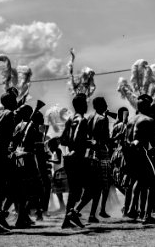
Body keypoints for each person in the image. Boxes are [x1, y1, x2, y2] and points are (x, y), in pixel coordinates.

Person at [126, 95, 155, 223]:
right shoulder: (148, 120)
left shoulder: (130, 120)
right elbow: (154, 142)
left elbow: (126, 139)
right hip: (141, 153)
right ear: (147, 106)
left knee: (139, 180)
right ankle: (147, 215)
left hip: (130, 154)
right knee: (154, 184)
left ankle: (132, 208)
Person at [72, 97, 109, 224]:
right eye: (104, 103)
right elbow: (106, 139)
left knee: (92, 187)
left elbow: (85, 137)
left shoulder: (88, 118)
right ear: (100, 105)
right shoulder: (103, 119)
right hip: (99, 153)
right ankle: (79, 212)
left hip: (88, 154)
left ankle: (88, 213)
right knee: (97, 187)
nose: (106, 105)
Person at [60, 93, 91, 228]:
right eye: (85, 103)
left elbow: (63, 139)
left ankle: (67, 221)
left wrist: (73, 146)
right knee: (92, 187)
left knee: (74, 191)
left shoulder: (69, 119)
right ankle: (72, 214)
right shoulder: (82, 120)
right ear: (81, 105)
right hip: (78, 157)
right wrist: (88, 143)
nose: (87, 105)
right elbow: (77, 138)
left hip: (68, 157)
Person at [0, 91, 17, 234]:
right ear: (10, 102)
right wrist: (11, 138)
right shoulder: (9, 114)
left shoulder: (0, 113)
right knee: (8, 187)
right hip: (0, 151)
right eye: (14, 99)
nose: (17, 101)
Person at [110, 107, 132, 216]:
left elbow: (110, 141)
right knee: (122, 182)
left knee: (123, 182)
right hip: (122, 156)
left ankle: (128, 208)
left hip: (121, 156)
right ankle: (129, 205)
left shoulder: (121, 126)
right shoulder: (127, 125)